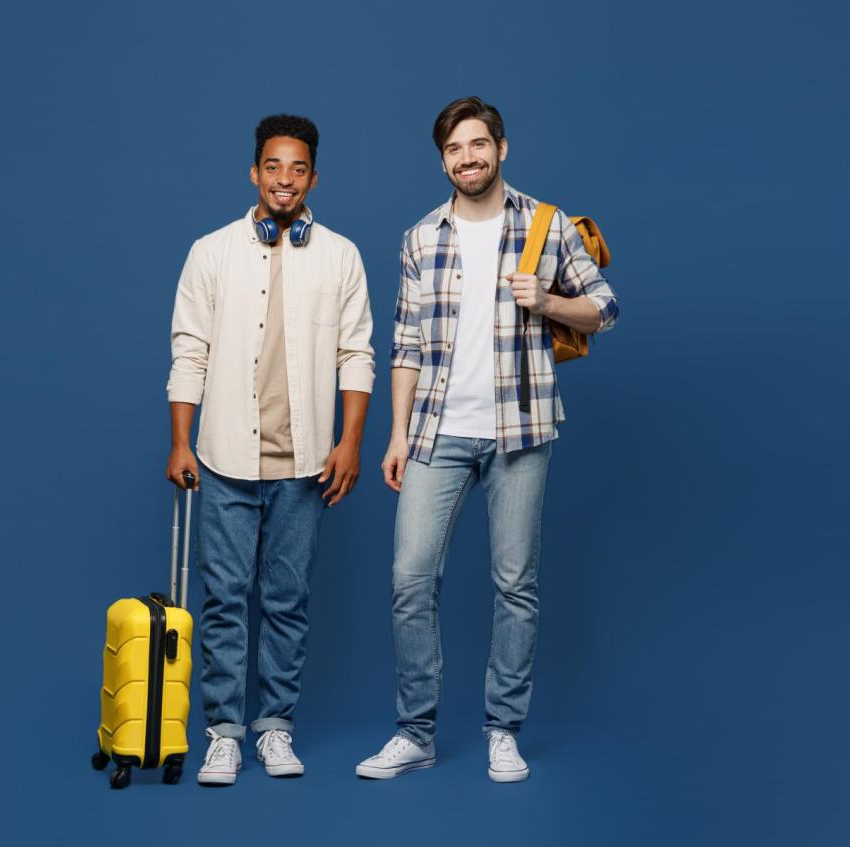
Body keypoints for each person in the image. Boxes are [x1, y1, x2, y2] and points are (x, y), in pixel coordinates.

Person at [355, 96, 619, 783]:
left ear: (503, 148)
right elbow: (405, 344)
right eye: (454, 149)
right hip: (437, 431)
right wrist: (396, 435)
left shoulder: (545, 224)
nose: (467, 158)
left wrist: (548, 301)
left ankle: (503, 728)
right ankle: (415, 732)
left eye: (478, 145)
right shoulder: (421, 237)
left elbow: (605, 308)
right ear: (443, 159)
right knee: (410, 578)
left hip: (520, 430)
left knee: (515, 585)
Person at [166, 114, 375, 786]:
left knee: (287, 598)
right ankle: (223, 731)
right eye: (273, 167)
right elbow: (188, 347)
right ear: (254, 172)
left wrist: (350, 441)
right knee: (225, 597)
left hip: (306, 461)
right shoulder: (210, 250)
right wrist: (180, 441)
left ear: (313, 176)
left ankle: (275, 727)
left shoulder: (341, 255)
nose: (285, 179)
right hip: (224, 455)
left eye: (298, 168)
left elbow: (356, 353)